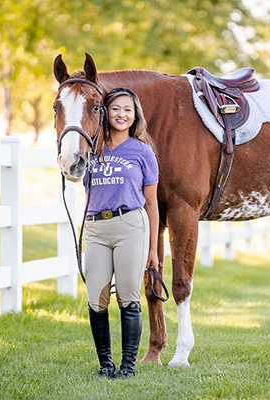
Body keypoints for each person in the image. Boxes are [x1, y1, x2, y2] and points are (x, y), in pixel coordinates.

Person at [83, 87, 159, 378]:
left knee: (128, 296)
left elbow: (151, 202)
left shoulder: (142, 152)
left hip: (130, 226)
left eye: (128, 109)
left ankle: (127, 366)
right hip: (96, 229)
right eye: (115, 108)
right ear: (104, 112)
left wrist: (152, 249)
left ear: (135, 115)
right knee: (95, 300)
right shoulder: (92, 148)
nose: (122, 114)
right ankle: (106, 365)